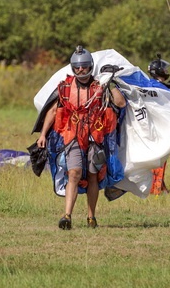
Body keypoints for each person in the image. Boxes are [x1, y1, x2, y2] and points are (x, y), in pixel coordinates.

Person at [36, 46, 126, 230]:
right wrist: (43, 134)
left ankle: (91, 217)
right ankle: (66, 216)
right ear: (72, 67)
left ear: (90, 66)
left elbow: (120, 103)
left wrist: (110, 82)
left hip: (95, 138)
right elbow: (53, 111)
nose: (80, 70)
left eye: (84, 67)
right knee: (74, 173)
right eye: (77, 67)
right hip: (73, 137)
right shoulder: (65, 87)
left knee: (93, 176)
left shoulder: (99, 87)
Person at [147, 54, 170, 196]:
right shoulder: (165, 89)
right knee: (159, 158)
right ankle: (156, 189)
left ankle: (160, 187)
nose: (166, 70)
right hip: (161, 129)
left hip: (147, 128)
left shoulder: (146, 84)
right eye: (164, 68)